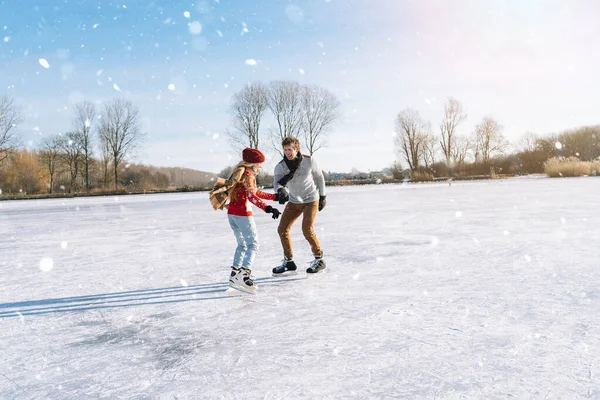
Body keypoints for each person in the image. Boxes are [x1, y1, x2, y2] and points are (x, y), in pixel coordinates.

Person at [226, 148, 281, 292]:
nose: (261, 166)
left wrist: (274, 197)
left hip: (232, 214)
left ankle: (234, 275)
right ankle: (244, 275)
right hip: (243, 214)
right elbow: (251, 197)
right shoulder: (248, 175)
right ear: (252, 163)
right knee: (253, 245)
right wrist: (268, 208)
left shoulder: (238, 172)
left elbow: (255, 192)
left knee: (242, 245)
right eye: (259, 163)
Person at [272, 136, 327, 275]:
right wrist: (280, 190)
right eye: (285, 150)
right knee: (282, 229)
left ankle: (319, 259)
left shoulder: (309, 160)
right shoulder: (281, 166)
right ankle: (289, 261)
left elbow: (319, 177)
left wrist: (322, 196)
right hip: (294, 201)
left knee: (307, 229)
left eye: (290, 149)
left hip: (311, 199)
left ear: (297, 149)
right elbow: (277, 183)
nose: (288, 153)